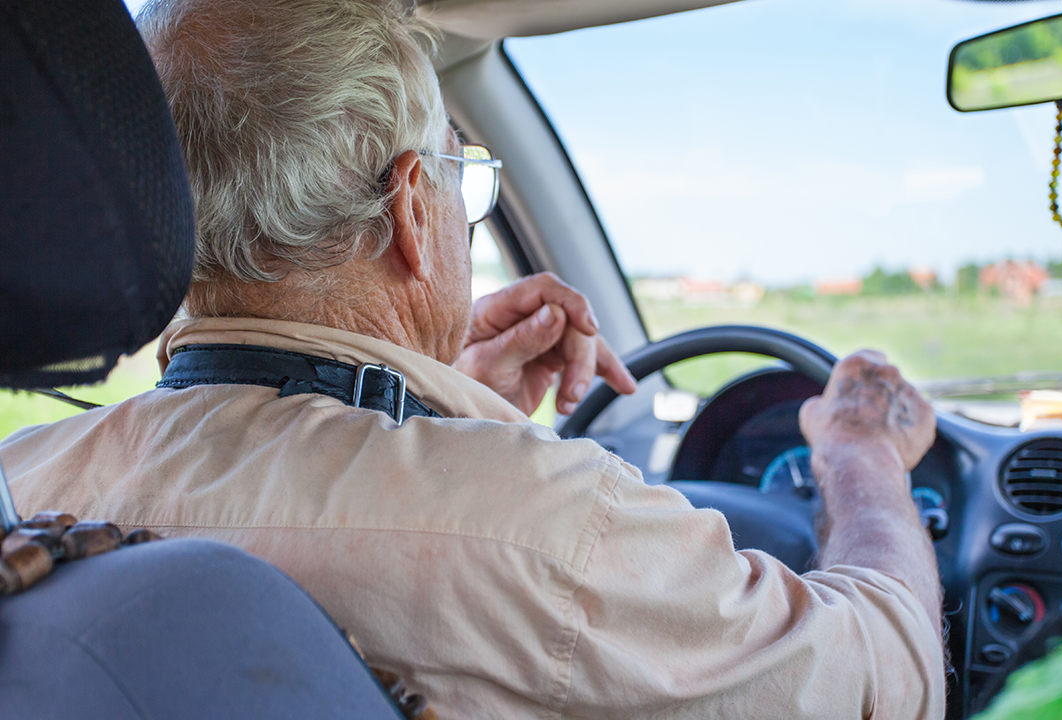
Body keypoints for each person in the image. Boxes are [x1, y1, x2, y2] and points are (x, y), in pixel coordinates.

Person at [0, 0, 945, 717]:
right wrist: (861, 456)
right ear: (413, 207)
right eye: (462, 173)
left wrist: (441, 397)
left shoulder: (24, 490)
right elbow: (886, 677)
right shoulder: (558, 529)